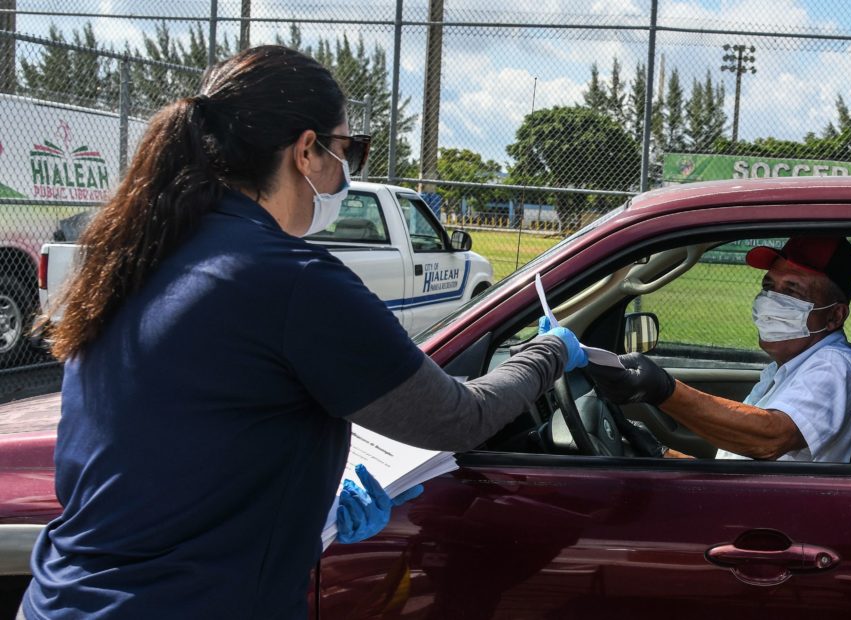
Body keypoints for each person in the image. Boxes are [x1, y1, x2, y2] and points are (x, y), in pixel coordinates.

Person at [20, 45, 587, 620]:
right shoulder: (291, 280)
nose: (350, 170)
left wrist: (304, 511)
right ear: (307, 151)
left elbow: (160, 448)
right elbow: (459, 417)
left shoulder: (139, 257)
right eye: (351, 150)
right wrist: (548, 353)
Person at [588, 235, 851, 462]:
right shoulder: (784, 369)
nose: (771, 300)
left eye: (792, 291)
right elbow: (740, 459)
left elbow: (769, 440)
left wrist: (664, 390)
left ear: (834, 316)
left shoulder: (834, 365)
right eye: (769, 286)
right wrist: (662, 454)